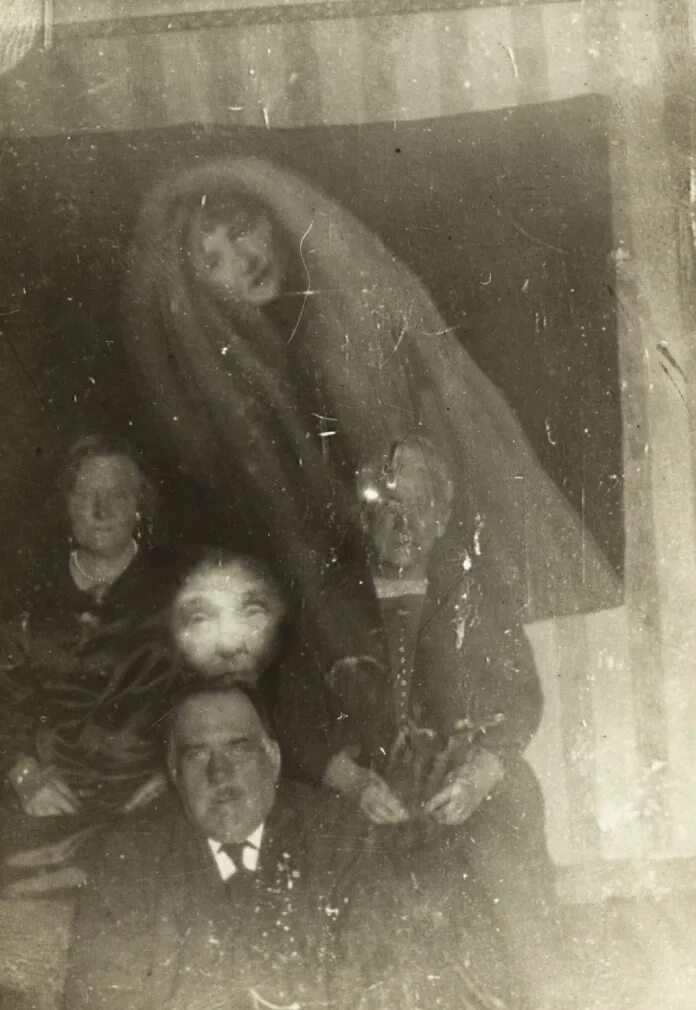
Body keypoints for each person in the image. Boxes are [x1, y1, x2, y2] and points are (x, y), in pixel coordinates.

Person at [123, 156, 620, 748]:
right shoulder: (235, 397)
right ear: (196, 290)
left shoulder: (358, 315)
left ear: (276, 218)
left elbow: (439, 475)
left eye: (243, 228)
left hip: (432, 572)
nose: (245, 258)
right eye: (213, 261)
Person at [322, 434, 568, 1009]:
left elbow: (521, 699)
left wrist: (479, 776)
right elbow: (296, 710)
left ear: (441, 517)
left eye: (418, 506)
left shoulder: (475, 594)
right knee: (352, 898)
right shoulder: (333, 602)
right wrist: (352, 782)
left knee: (504, 854)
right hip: (366, 793)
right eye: (388, 508)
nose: (403, 523)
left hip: (464, 785)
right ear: (366, 519)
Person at [62, 686, 416, 1010]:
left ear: (273, 759)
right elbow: (100, 992)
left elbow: (380, 987)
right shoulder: (131, 854)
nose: (220, 773)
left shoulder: (340, 839)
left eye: (239, 748)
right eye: (197, 754)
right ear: (175, 773)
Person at [0, 434, 176, 893]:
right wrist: (25, 776)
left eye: (117, 495)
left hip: (154, 793)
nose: (100, 511)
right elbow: (6, 704)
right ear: (66, 505)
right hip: (50, 797)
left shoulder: (178, 593)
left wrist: (174, 775)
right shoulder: (28, 597)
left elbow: (207, 695)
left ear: (140, 506)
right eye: (85, 496)